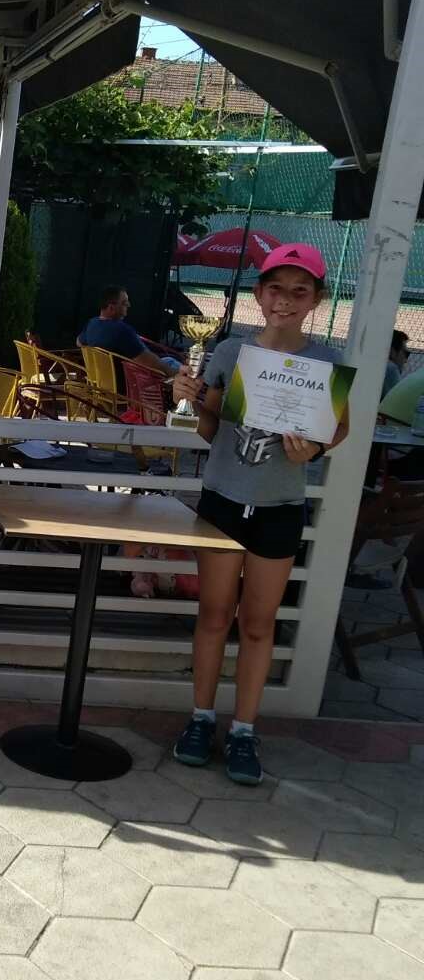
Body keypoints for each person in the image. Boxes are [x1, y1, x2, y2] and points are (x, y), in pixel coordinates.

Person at [170, 241, 349, 785]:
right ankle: (201, 719)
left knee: (258, 624)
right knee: (213, 615)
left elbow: (338, 426)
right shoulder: (228, 352)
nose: (285, 300)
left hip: (279, 506)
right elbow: (209, 429)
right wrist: (187, 398)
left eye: (299, 291)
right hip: (223, 499)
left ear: (316, 299)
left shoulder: (326, 361)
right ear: (259, 293)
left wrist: (313, 450)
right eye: (276, 289)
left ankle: (244, 730)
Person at [79, 286, 181, 375]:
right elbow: (152, 364)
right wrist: (175, 375)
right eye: (124, 303)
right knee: (172, 363)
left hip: (101, 379)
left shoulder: (92, 323)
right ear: (111, 307)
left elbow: (79, 342)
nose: (129, 305)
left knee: (169, 358)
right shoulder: (121, 330)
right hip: (131, 381)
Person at [383, 329, 411, 397]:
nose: (405, 360)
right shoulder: (391, 369)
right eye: (406, 354)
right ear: (392, 352)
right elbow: (400, 400)